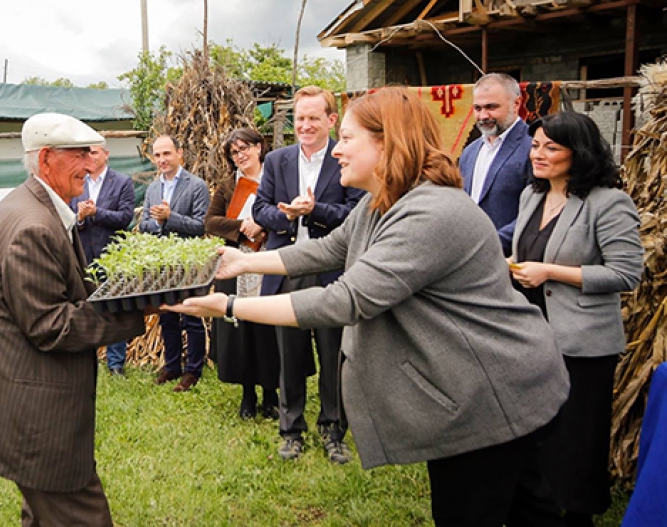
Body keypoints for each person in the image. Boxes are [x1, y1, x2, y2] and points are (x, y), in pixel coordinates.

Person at [167, 87, 571, 526]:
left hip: (494, 392)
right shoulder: (387, 201)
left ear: (387, 142)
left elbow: (344, 299)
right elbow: (327, 251)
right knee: (531, 511)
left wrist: (228, 307)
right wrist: (242, 261)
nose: (335, 150)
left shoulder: (429, 212)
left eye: (346, 138)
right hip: (482, 385)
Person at [0, 113, 146, 527]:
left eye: (90, 155)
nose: (90, 166)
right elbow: (51, 325)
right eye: (79, 155)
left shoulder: (28, 206)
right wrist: (137, 311)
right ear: (45, 160)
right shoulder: (32, 225)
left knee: (41, 515)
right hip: (37, 417)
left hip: (26, 404)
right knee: (82, 515)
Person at [509, 112, 643, 527]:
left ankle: (578, 514)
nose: (539, 154)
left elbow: (626, 274)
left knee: (577, 437)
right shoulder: (531, 197)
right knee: (538, 434)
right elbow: (528, 254)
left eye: (552, 147)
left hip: (582, 343)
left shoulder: (608, 202)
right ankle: (540, 507)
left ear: (578, 153)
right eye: (536, 146)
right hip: (531, 336)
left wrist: (551, 272)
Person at [252, 85, 364, 464]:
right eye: (300, 117)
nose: (305, 125)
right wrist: (285, 214)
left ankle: (334, 430)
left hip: (332, 271)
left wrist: (314, 210)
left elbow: (355, 214)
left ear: (331, 120)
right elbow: (259, 211)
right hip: (287, 270)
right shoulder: (278, 160)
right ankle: (291, 430)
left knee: (333, 354)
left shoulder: (344, 158)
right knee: (290, 355)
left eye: (314, 117)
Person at [205, 128, 281, 420]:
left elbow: (287, 215)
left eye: (245, 148)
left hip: (269, 260)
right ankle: (248, 393)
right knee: (241, 331)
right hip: (236, 262)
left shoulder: (275, 180)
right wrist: (242, 227)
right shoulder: (227, 186)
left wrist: (262, 225)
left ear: (259, 147)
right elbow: (210, 222)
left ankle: (272, 394)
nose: (240, 155)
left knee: (268, 327)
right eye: (234, 152)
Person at [139, 135, 210, 392]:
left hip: (188, 261)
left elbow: (201, 226)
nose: (162, 160)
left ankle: (193, 370)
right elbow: (144, 225)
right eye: (157, 155)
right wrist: (158, 223)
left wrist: (170, 217)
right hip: (162, 262)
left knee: (191, 316)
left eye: (166, 154)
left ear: (179, 153)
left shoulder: (196, 186)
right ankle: (171, 366)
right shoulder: (152, 189)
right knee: (167, 315)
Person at [69, 143, 136, 377]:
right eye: (86, 153)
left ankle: (116, 363)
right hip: (84, 255)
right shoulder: (78, 181)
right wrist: (79, 217)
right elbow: (69, 216)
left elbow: (125, 218)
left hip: (112, 256)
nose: (89, 157)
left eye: (94, 152)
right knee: (87, 307)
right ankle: (88, 357)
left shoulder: (122, 182)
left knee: (115, 306)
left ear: (106, 155)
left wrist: (96, 212)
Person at [459, 73, 532, 256]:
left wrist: (489, 245)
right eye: (477, 108)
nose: (483, 116)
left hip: (513, 262)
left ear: (516, 104)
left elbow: (536, 213)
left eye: (491, 107)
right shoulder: (470, 152)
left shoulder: (533, 148)